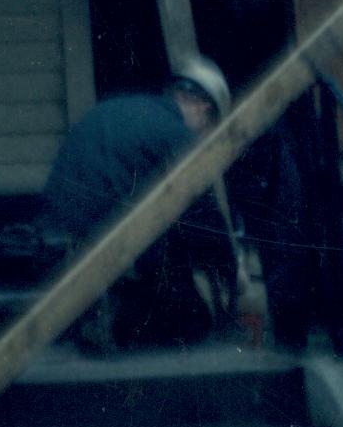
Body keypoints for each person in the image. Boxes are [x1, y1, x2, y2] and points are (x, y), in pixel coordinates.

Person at [38, 54, 235, 352]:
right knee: (190, 318)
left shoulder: (113, 111)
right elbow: (203, 214)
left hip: (58, 237)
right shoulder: (178, 134)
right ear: (204, 109)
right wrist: (230, 267)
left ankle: (102, 318)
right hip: (107, 245)